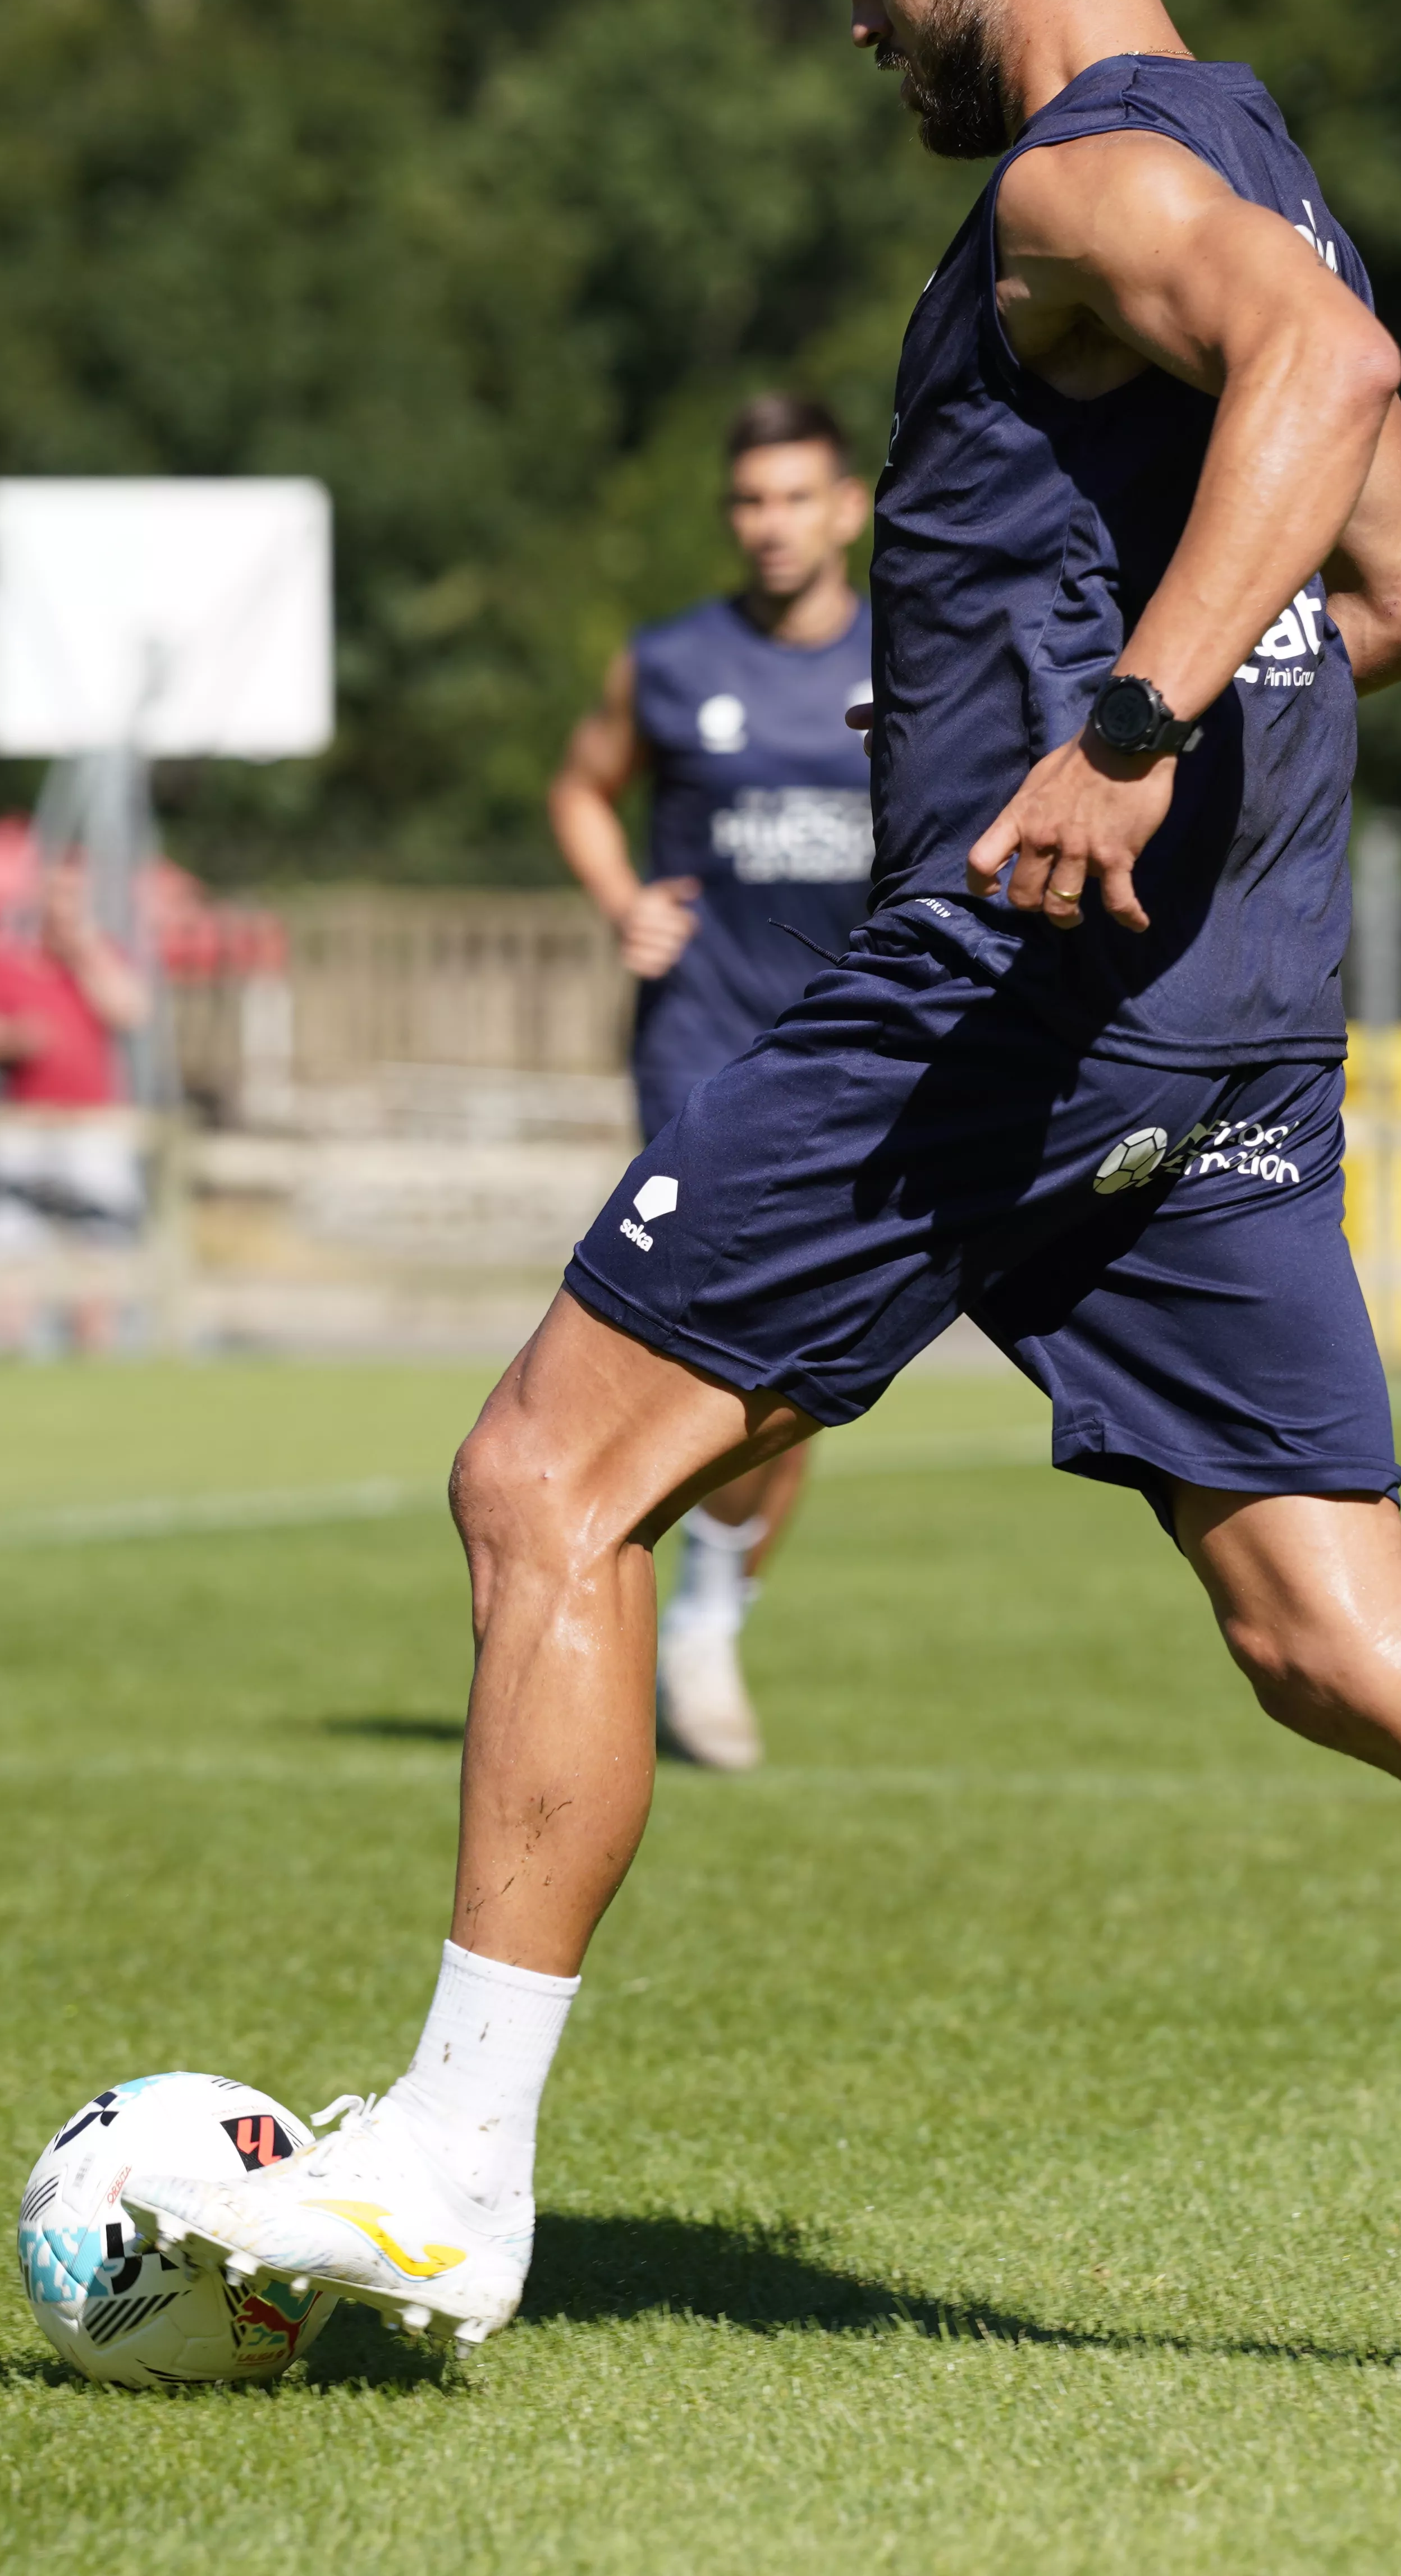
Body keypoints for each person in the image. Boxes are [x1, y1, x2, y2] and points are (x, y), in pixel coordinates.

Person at [118, 0, 1401, 2431]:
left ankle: (448, 2167)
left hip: (1007, 981)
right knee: (1329, 1624)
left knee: (545, 1475)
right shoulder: (1255, 155)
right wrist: (1216, 681)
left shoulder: (1077, 171)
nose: (860, 20)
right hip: (1221, 1005)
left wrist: (1114, 730)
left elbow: (1326, 391)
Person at [545, 391, 878, 1769]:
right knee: (690, 1338)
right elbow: (580, 784)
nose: (774, 523)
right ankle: (639, 1606)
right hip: (699, 1047)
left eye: (798, 495)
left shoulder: (921, 653)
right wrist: (624, 895)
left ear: (849, 506)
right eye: (751, 500)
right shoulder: (672, 662)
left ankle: (705, 1609)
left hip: (862, 1052)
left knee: (796, 1369)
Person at [0, 851, 153, 1357]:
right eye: (57, 895)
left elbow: (130, 1011)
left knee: (98, 1251)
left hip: (92, 1126)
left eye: (75, 896)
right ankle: (8, 1352)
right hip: (23, 1123)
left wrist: (85, 954)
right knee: (11, 1250)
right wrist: (10, 1039)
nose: (65, 908)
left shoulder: (104, 956)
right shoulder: (6, 962)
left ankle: (92, 1353)